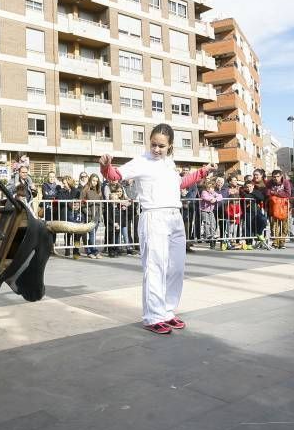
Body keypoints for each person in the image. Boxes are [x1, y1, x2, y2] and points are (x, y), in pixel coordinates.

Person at [99, 123, 211, 335]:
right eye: (153, 144)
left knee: (176, 268)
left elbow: (179, 183)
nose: (156, 149)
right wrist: (106, 167)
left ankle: (167, 311)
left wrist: (202, 172)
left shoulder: (169, 162)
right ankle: (153, 316)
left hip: (175, 217)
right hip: (154, 216)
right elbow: (115, 176)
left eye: (161, 145)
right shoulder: (142, 161)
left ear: (170, 146)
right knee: (155, 267)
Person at [266, 170, 292, 249]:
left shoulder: (286, 182)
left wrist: (275, 193)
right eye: (274, 177)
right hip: (273, 207)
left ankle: (282, 242)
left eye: (277, 176)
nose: (276, 178)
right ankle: (275, 243)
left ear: (281, 176)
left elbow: (287, 194)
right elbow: (267, 192)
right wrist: (278, 194)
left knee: (285, 226)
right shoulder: (270, 183)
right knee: (274, 226)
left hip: (285, 207)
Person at [80, 173, 104, 259]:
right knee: (92, 234)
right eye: (93, 180)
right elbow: (81, 203)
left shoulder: (99, 190)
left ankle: (89, 251)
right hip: (89, 216)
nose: (95, 182)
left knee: (92, 234)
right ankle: (94, 251)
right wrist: (88, 213)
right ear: (90, 180)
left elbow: (102, 203)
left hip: (97, 216)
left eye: (96, 181)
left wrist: (100, 213)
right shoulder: (85, 189)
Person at [199, 180, 221, 249]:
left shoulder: (213, 192)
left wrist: (216, 199)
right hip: (204, 210)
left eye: (212, 188)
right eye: (209, 188)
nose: (210, 189)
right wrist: (212, 199)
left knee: (213, 223)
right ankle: (208, 235)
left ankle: (213, 236)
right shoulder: (204, 192)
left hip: (211, 211)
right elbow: (205, 197)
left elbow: (220, 196)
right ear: (207, 188)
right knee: (206, 222)